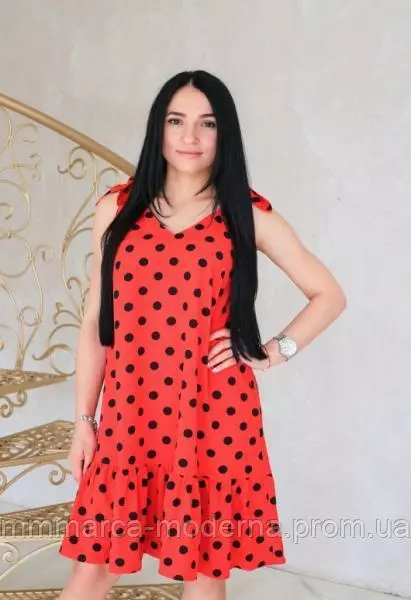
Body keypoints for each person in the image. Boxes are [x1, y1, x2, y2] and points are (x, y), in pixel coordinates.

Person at [57, 69, 347, 600]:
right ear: (159, 129)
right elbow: (96, 323)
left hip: (212, 414)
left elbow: (328, 294)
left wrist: (272, 351)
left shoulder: (247, 214)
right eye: (177, 121)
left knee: (204, 570)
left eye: (206, 123)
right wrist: (83, 421)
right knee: (92, 568)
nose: (190, 136)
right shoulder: (115, 208)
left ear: (223, 133)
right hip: (130, 413)